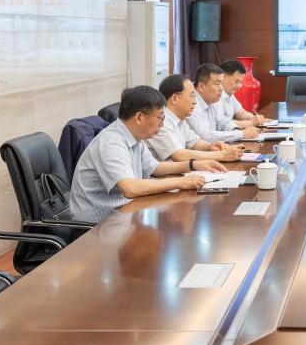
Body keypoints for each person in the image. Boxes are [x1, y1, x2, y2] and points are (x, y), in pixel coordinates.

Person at [70, 85, 226, 224]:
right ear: (139, 117)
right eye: (160, 117)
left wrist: (193, 165)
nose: (162, 124)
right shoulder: (111, 142)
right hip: (98, 228)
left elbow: (154, 168)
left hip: (124, 216)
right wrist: (181, 182)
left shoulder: (134, 137)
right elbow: (129, 188)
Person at [145, 74, 245, 163]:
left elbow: (194, 141)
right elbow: (179, 155)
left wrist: (211, 146)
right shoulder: (161, 121)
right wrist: (222, 155)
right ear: (175, 98)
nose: (195, 102)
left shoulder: (179, 119)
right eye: (191, 96)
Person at [187, 63, 260, 142]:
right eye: (217, 84)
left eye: (222, 84)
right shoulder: (191, 105)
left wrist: (236, 130)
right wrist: (241, 134)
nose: (221, 88)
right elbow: (207, 136)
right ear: (201, 86)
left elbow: (223, 122)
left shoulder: (212, 100)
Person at [218, 59, 269, 127]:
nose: (238, 86)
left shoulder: (230, 94)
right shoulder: (215, 95)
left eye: (240, 82)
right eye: (236, 82)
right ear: (223, 77)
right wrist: (250, 123)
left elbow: (241, 114)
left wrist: (255, 119)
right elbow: (222, 123)